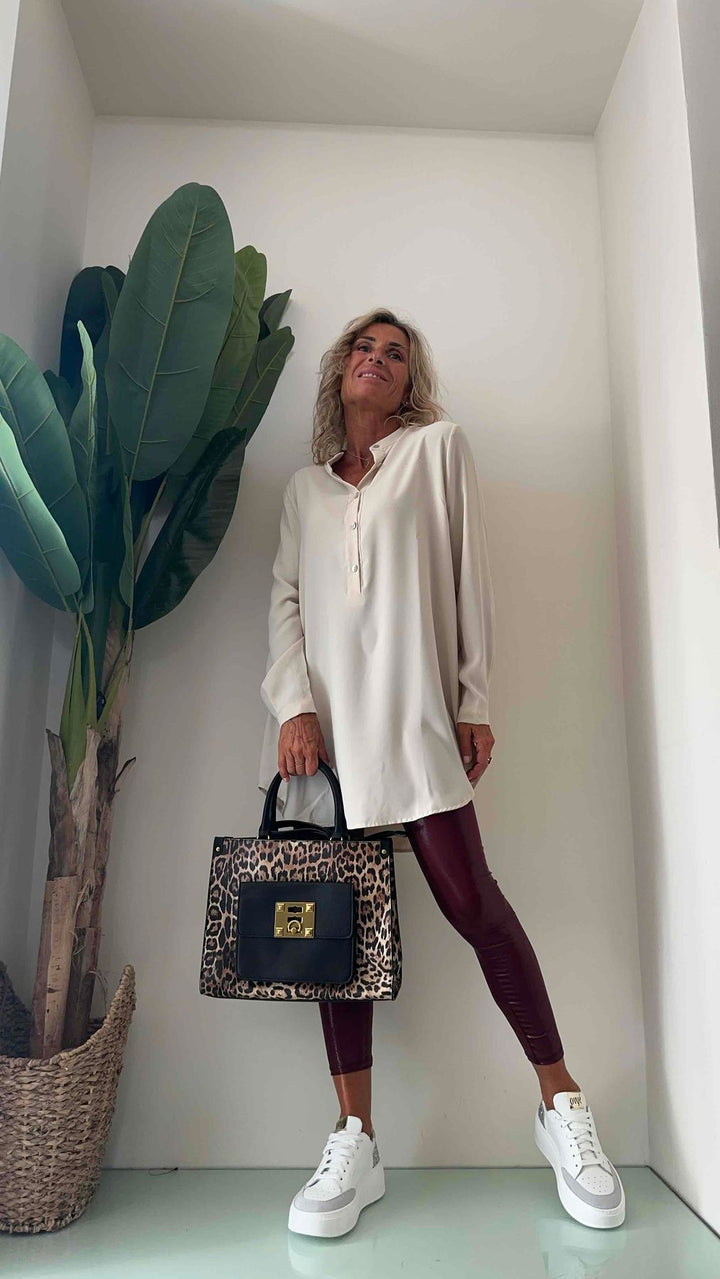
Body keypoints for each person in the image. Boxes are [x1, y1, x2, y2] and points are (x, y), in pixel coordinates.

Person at [257, 308, 626, 1239]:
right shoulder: (303, 491)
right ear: (340, 368)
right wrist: (292, 705)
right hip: (328, 743)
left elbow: (468, 574)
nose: (377, 359)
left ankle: (562, 1104)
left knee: (475, 905)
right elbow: (286, 602)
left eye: (396, 353)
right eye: (364, 347)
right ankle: (356, 1138)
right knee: (334, 933)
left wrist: (473, 699)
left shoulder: (437, 449)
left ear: (410, 381)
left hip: (415, 722)